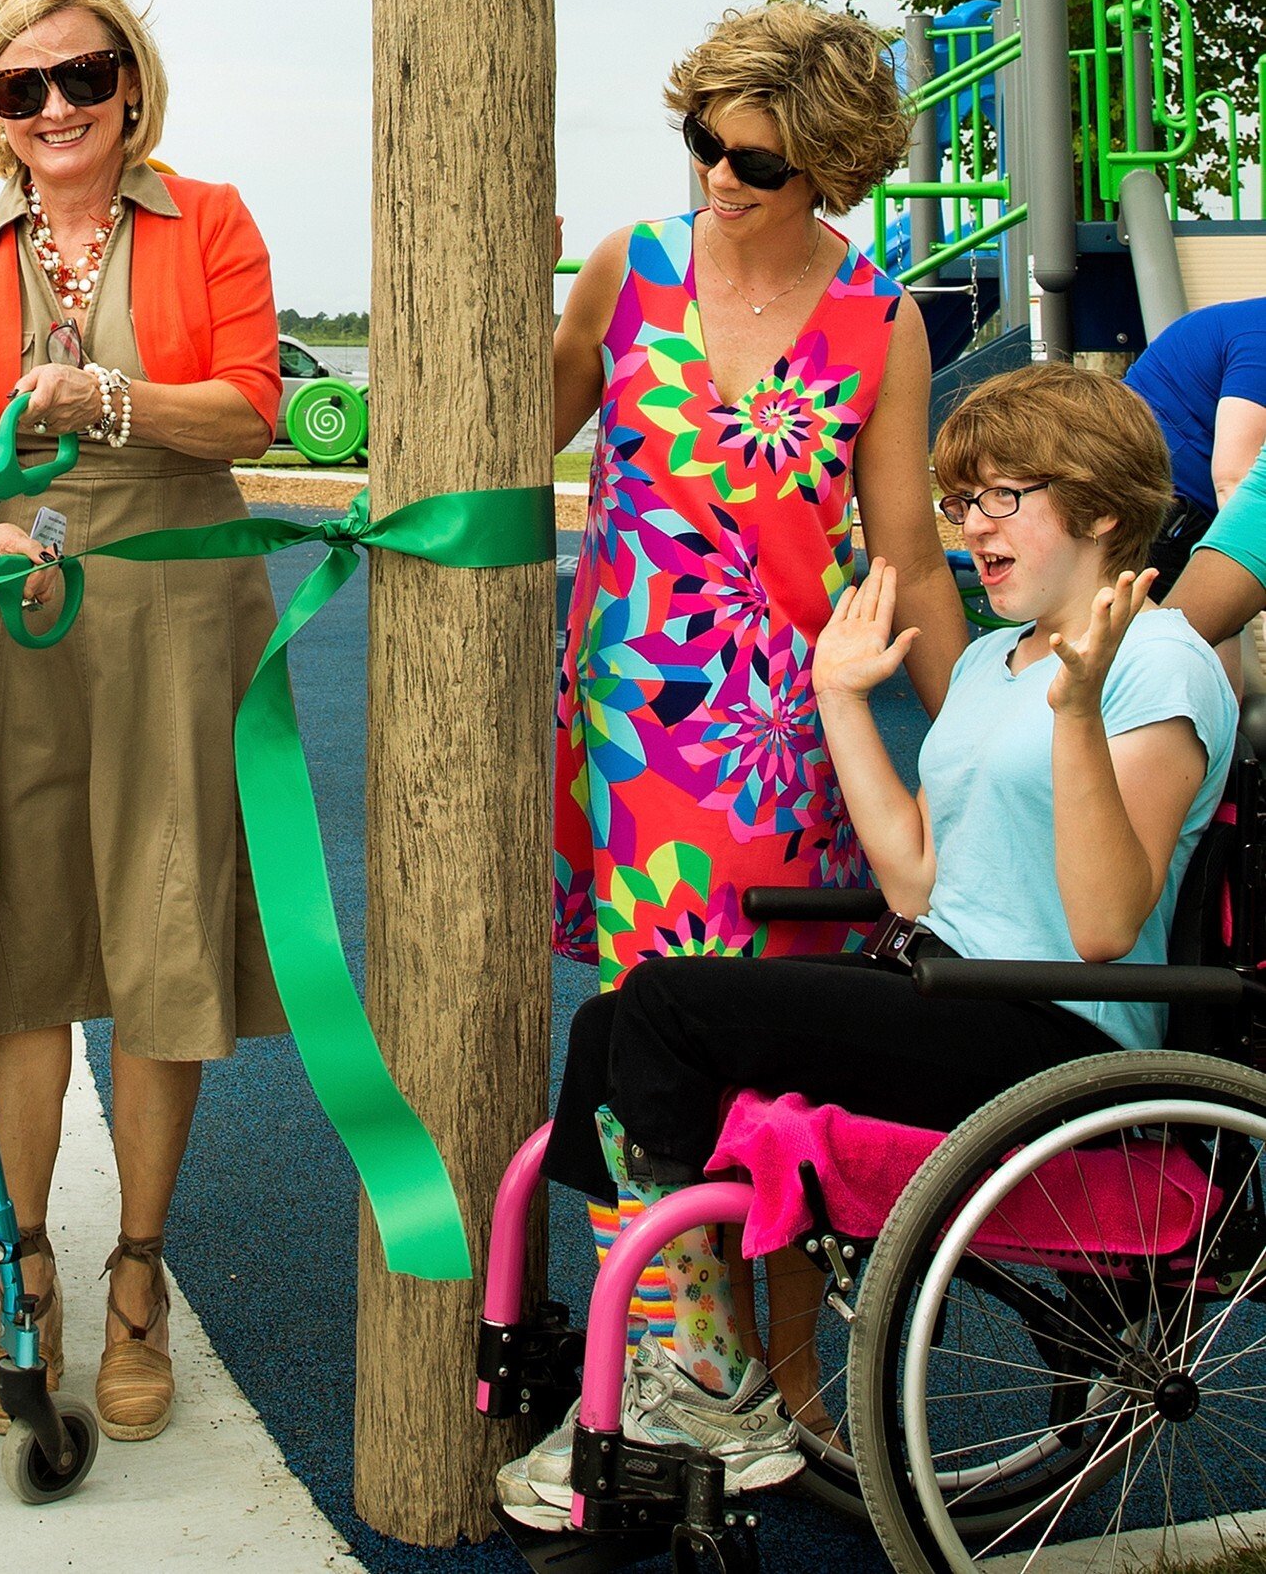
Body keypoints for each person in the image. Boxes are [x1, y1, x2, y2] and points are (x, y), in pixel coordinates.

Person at [499, 364, 1235, 1525]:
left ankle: (708, 1375)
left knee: (665, 1012)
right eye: (961, 501)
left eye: (1003, 498)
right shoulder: (1000, 659)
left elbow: (1101, 927)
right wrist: (842, 697)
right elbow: (915, 876)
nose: (971, 528)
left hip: (1059, 1031)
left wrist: (1083, 712)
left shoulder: (1161, 661)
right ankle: (688, 1351)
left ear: (1098, 506)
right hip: (950, 976)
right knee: (616, 1015)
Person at [0, 0, 286, 1446]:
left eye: (81, 75)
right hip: (6, 611)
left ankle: (138, 1275)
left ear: (129, 83)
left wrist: (106, 404)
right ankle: (25, 1267)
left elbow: (256, 404)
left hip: (177, 606)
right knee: (22, 941)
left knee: (166, 930)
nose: (54, 106)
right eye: (18, 85)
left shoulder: (212, 217)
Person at [549, 2, 969, 1367]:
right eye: (704, 144)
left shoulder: (879, 321)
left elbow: (908, 552)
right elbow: (509, 431)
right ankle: (681, 1370)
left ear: (832, 171)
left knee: (749, 1063)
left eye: (759, 163)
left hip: (777, 742)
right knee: (636, 1046)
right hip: (622, 731)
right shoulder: (631, 265)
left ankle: (740, 1374)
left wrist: (975, 747)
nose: (721, 178)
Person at [1126, 295, 1266, 621]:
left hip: (1177, 512)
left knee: (1208, 659)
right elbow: (1233, 479)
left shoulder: (1244, 322)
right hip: (1160, 509)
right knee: (1169, 647)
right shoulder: (1260, 337)